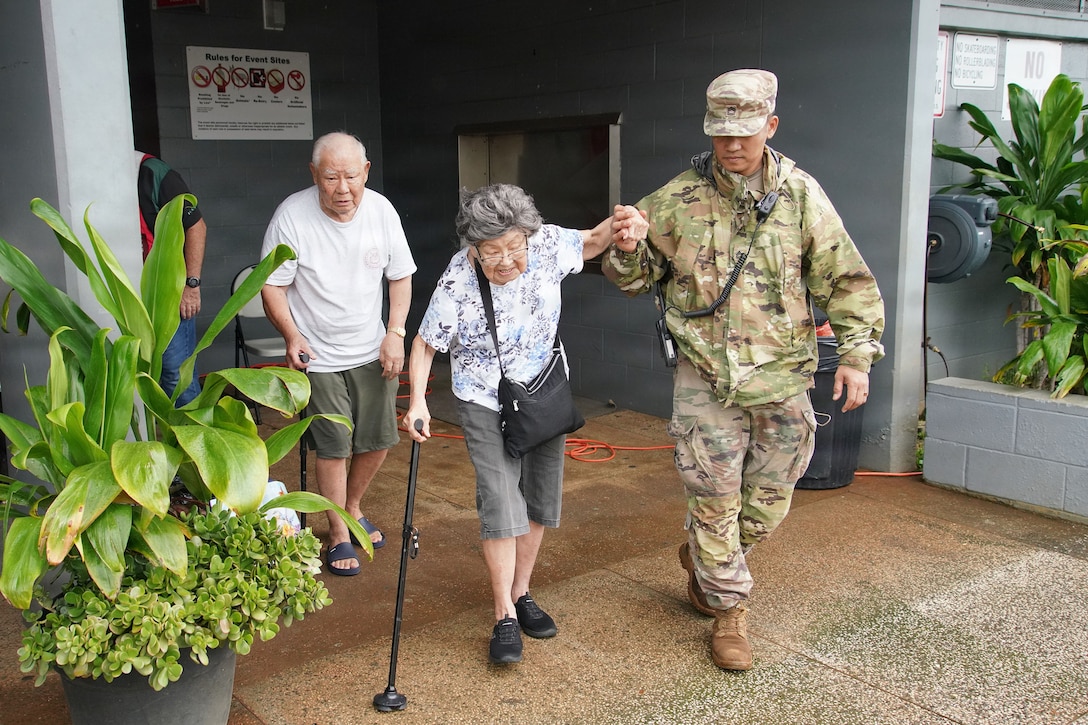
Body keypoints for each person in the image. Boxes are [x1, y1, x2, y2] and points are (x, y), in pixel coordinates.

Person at [604, 69, 885, 671]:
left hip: (783, 376)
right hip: (705, 377)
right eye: (720, 133)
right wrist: (626, 249)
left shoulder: (801, 196)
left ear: (771, 126)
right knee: (713, 497)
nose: (732, 146)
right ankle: (729, 610)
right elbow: (634, 281)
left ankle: (704, 557)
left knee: (772, 499)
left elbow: (847, 279)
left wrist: (858, 357)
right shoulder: (675, 199)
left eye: (745, 133)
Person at [403, 184, 647, 665]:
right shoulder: (459, 278)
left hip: (541, 392)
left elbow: (595, 240)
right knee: (499, 499)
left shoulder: (547, 244)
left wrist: (624, 223)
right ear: (474, 248)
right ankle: (503, 616)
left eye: (515, 247)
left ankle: (521, 592)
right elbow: (425, 343)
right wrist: (417, 402)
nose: (508, 261)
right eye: (493, 252)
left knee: (538, 497)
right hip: (483, 398)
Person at [261, 131, 416, 576]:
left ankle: (352, 505)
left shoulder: (382, 210)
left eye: (352, 176)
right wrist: (291, 335)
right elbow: (271, 284)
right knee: (333, 447)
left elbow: (400, 276)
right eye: (331, 178)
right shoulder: (292, 215)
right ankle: (339, 533)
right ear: (314, 175)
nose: (342, 189)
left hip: (371, 348)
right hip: (320, 356)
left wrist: (396, 332)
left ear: (366, 171)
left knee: (379, 439)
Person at [137, 151, 206, 406]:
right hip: (125, 295)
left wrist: (191, 285)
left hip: (168, 294)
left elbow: (196, 226)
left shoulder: (152, 173)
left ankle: (188, 442)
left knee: (176, 376)